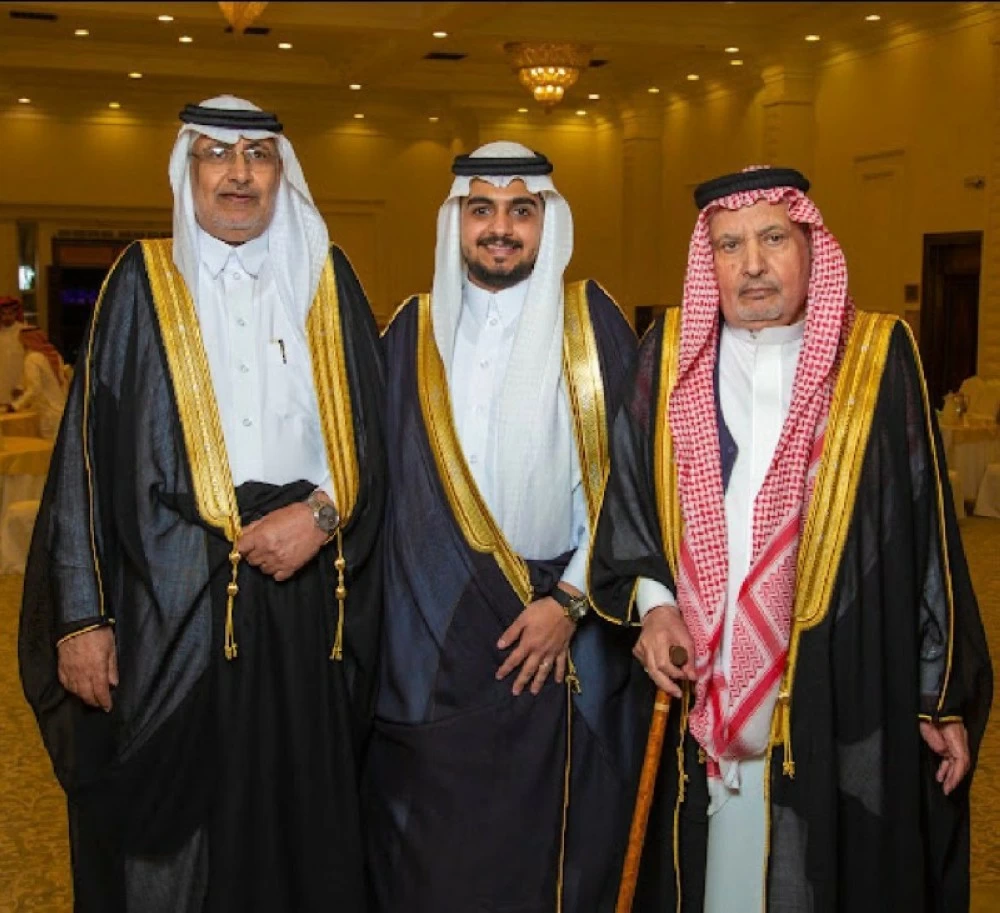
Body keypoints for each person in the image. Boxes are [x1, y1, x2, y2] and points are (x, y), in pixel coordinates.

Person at [589, 166, 993, 912]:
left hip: (840, 674)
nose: (752, 264)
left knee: (830, 867)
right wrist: (655, 606)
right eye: (729, 245)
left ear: (810, 245)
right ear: (708, 260)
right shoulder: (670, 352)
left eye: (773, 238)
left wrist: (937, 694)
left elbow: (927, 531)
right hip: (699, 672)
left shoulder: (876, 356)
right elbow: (631, 503)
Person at [19, 95, 385, 913]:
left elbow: (374, 434)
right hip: (169, 599)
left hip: (305, 595)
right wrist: (82, 617)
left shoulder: (326, 280)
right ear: (188, 170)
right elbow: (85, 455)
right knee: (174, 829)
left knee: (298, 813)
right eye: (217, 154)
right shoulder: (142, 282)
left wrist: (322, 515)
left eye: (258, 155)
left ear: (282, 172)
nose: (238, 173)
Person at [364, 142, 643, 913]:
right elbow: (372, 483)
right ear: (455, 220)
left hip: (561, 631)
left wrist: (571, 602)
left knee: (556, 848)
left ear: (547, 221)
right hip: (432, 641)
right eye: (481, 209)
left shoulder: (591, 323)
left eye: (522, 210)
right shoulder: (411, 332)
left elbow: (632, 485)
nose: (500, 228)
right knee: (437, 852)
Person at [8, 326, 68, 439]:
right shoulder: (55, 355)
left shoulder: (32, 358)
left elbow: (35, 389)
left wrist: (15, 406)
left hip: (49, 415)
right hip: (64, 412)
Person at [0, 295, 27, 405]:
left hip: (20, 386)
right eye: (3, 314)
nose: (7, 317)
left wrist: (21, 385)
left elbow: (30, 361)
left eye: (10, 313)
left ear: (16, 313)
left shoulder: (25, 332)